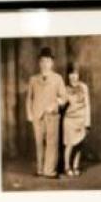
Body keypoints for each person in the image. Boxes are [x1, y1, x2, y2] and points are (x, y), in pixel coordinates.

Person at [25, 47, 67, 178]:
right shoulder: (33, 79)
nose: (45, 64)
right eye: (42, 61)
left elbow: (64, 98)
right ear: (39, 63)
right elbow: (29, 98)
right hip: (37, 115)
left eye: (48, 61)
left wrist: (54, 105)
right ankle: (40, 169)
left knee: (51, 143)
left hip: (52, 115)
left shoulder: (58, 78)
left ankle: (50, 171)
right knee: (39, 143)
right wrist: (29, 114)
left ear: (52, 63)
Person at [61, 63, 93, 178]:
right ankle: (67, 167)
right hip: (69, 120)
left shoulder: (84, 87)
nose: (73, 76)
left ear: (78, 75)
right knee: (69, 144)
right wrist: (55, 101)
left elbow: (87, 104)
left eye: (75, 73)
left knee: (79, 144)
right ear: (68, 75)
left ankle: (76, 166)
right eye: (71, 73)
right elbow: (62, 102)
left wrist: (87, 122)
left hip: (81, 119)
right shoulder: (65, 88)